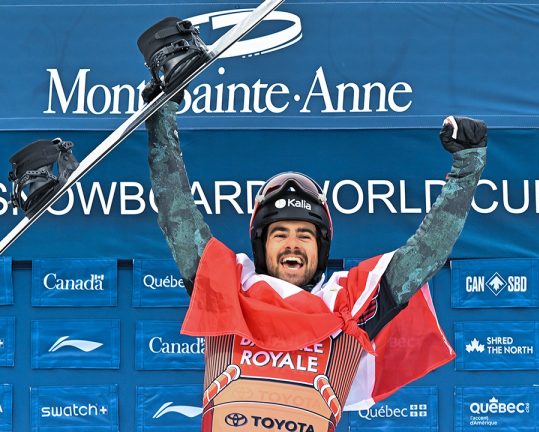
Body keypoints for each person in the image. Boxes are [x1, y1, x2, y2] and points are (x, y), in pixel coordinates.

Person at [140, 17, 487, 432]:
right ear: (260, 244)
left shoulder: (351, 306)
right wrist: (161, 121)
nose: (292, 244)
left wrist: (467, 168)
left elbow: (427, 251)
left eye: (304, 234)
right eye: (280, 233)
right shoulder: (228, 290)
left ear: (321, 247)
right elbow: (176, 213)